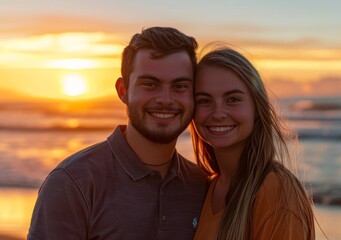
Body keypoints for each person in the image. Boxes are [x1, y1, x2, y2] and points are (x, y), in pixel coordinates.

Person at [28, 27, 208, 240]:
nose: (166, 99)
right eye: (150, 84)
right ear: (123, 91)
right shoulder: (73, 184)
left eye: (179, 86)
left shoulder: (201, 186)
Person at [191, 47, 315, 240]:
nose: (218, 113)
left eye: (232, 99)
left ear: (257, 108)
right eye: (204, 101)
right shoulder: (207, 188)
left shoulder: (277, 191)